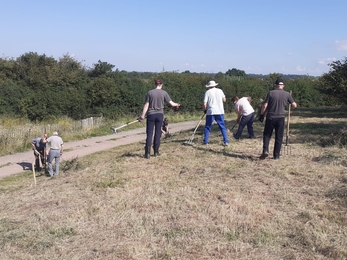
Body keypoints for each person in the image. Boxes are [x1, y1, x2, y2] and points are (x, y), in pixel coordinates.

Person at [138, 79, 180, 159]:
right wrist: (177, 104)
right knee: (158, 133)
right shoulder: (164, 93)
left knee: (149, 134)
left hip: (151, 115)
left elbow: (146, 105)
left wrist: (142, 116)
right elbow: (172, 103)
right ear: (162, 84)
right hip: (160, 115)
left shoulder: (150, 92)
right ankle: (156, 152)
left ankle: (147, 153)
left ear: (155, 84)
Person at [259, 78, 297, 160]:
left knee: (267, 135)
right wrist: (290, 102)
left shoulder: (271, 93)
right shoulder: (287, 94)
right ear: (283, 86)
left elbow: (265, 105)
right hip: (280, 118)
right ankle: (276, 155)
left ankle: (265, 150)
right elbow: (294, 105)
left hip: (270, 117)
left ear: (276, 85)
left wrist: (261, 114)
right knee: (279, 137)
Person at [203, 80, 229, 146]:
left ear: (209, 86)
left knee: (208, 126)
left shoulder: (207, 92)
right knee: (222, 126)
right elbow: (224, 100)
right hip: (219, 111)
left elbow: (204, 103)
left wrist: (205, 110)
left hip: (211, 111)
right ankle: (226, 141)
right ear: (215, 85)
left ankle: (205, 141)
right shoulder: (220, 91)